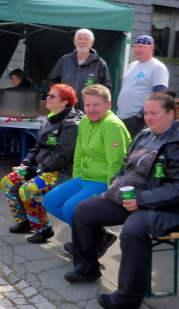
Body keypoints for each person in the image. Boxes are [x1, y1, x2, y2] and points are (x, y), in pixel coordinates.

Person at [64, 92, 179, 309]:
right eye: (146, 113)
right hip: (131, 198)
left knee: (132, 231)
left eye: (154, 113)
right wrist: (116, 182)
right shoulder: (145, 134)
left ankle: (127, 298)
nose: (148, 117)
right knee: (82, 211)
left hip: (170, 207)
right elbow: (126, 165)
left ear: (170, 114)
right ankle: (87, 269)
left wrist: (142, 200)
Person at [43, 84, 131, 254]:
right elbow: (79, 153)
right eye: (88, 105)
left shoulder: (112, 126)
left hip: (102, 180)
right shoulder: (84, 121)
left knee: (70, 208)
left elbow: (117, 164)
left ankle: (87, 247)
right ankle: (98, 236)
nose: (91, 109)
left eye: (96, 104)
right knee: (50, 201)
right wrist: (76, 178)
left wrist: (111, 195)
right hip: (84, 177)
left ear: (108, 105)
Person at [1, 84, 83, 243]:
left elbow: (63, 154)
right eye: (48, 94)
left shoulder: (71, 124)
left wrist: (38, 170)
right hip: (42, 168)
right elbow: (37, 146)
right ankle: (25, 222)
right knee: (7, 182)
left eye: (52, 96)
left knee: (27, 189)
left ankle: (43, 229)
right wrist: (26, 162)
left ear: (64, 102)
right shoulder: (50, 118)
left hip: (60, 171)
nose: (47, 98)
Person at [117, 35, 170, 138]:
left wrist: (141, 114)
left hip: (138, 120)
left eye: (141, 46)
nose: (137, 50)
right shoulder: (131, 65)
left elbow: (160, 94)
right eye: (135, 46)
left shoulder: (157, 67)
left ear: (151, 48)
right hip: (122, 117)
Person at [48, 28, 112, 108]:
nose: (82, 42)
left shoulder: (100, 63)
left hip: (89, 110)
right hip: (66, 108)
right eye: (80, 38)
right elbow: (52, 81)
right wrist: (59, 96)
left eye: (86, 39)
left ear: (91, 43)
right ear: (74, 41)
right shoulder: (65, 60)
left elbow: (106, 89)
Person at [0, 69, 33, 161]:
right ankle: (1, 151)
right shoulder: (25, 90)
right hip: (18, 121)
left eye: (13, 79)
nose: (12, 81)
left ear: (19, 79)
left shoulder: (19, 92)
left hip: (19, 123)